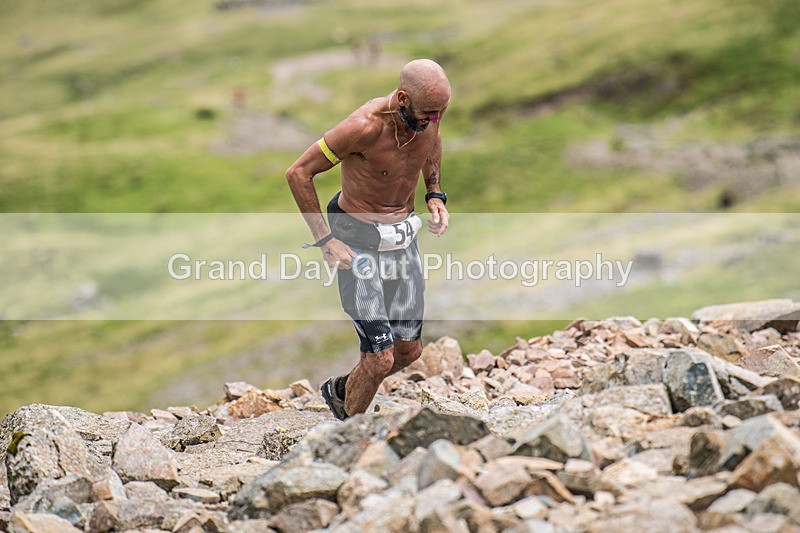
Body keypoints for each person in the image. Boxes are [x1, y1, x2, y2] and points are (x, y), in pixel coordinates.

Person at [285, 59, 451, 420]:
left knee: (409, 352)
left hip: (402, 240)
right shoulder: (363, 127)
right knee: (380, 357)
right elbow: (298, 173)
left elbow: (432, 144)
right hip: (356, 241)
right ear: (403, 99)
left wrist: (435, 194)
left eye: (441, 114)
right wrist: (325, 240)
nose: (434, 122)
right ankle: (348, 441)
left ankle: (342, 391)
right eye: (428, 114)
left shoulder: (427, 120)